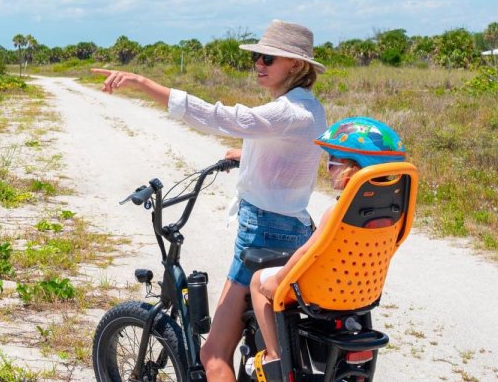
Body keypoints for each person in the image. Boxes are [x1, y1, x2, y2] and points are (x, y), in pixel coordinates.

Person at [93, 20, 328, 382]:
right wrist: (246, 154)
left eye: (268, 58)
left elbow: (220, 117)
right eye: (257, 59)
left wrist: (142, 83)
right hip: (295, 228)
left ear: (295, 65)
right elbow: (284, 151)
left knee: (214, 353)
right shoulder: (308, 108)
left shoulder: (284, 112)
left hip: (263, 232)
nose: (259, 66)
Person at [248, 117, 408, 382]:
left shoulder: (338, 211)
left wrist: (277, 280)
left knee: (258, 282)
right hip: (363, 292)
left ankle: (273, 358)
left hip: (323, 290)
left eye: (333, 161)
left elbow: (307, 252)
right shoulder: (392, 212)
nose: (328, 168)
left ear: (351, 168)